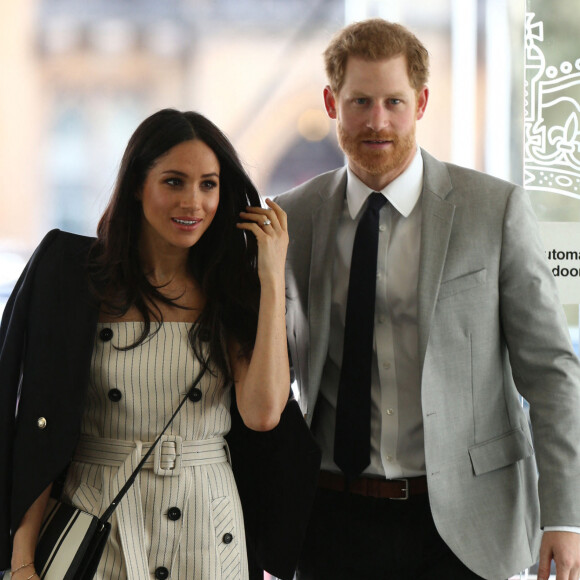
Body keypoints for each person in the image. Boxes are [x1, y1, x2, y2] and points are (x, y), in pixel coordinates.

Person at [275, 18, 580, 580]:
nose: (377, 120)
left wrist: (565, 517)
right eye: (359, 101)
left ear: (421, 102)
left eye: (393, 100)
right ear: (330, 102)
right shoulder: (292, 218)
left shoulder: (495, 210)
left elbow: (551, 372)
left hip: (466, 526)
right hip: (330, 520)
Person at [0, 108, 319, 580]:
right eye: (174, 181)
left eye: (208, 184)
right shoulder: (74, 278)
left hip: (208, 530)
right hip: (96, 520)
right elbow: (35, 427)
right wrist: (22, 561)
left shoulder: (232, 290)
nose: (194, 202)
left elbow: (263, 413)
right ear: (136, 185)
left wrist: (271, 275)